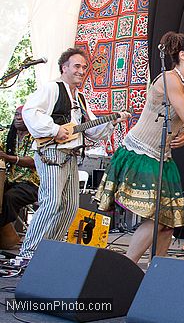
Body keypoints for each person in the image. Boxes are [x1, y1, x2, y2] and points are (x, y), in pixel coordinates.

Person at [96, 31, 184, 264]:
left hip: (163, 156)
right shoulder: (169, 79)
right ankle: (126, 267)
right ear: (183, 55)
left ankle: (157, 273)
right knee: (157, 218)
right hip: (140, 153)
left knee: (168, 223)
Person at [20, 47, 130, 261]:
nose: (81, 70)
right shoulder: (52, 88)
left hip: (70, 155)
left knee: (70, 207)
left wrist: (111, 121)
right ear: (64, 68)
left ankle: (48, 251)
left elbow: (90, 130)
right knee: (51, 202)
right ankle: (29, 252)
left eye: (84, 67)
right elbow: (30, 111)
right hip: (51, 152)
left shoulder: (80, 98)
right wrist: (54, 130)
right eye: (77, 66)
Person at [0, 106, 39, 249]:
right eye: (16, 114)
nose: (18, 117)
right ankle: (7, 238)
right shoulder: (7, 135)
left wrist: (8, 157)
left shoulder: (37, 137)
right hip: (9, 180)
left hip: (31, 184)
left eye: (22, 115)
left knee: (9, 198)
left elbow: (33, 161)